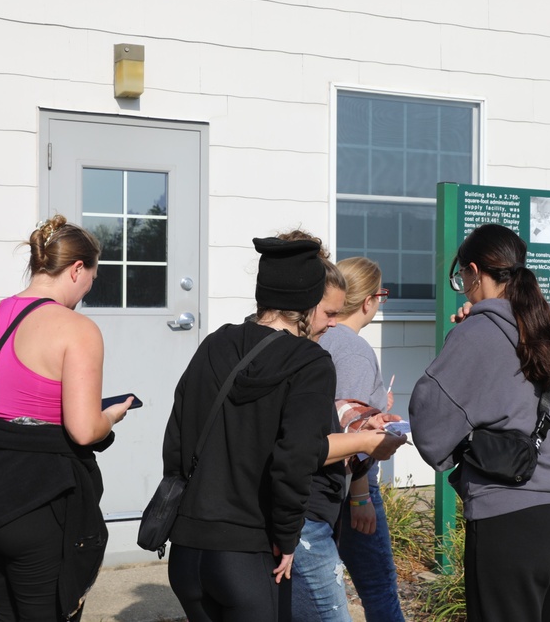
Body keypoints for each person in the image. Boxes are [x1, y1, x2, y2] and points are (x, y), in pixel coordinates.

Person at [164, 235, 403, 622]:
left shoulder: (214, 343)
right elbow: (295, 458)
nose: (333, 324)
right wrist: (289, 538)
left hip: (188, 553)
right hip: (248, 555)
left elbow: (176, 438)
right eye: (329, 314)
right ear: (306, 303)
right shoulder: (309, 361)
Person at [0, 215, 133, 621]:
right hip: (35, 501)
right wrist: (111, 414)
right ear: (77, 269)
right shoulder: (77, 330)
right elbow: (83, 428)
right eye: (92, 276)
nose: (90, 287)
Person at [409, 223, 550, 622]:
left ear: (475, 271)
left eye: (461, 277)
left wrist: (459, 337)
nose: (463, 285)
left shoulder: (478, 332)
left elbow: (430, 418)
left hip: (511, 518)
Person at [318, 257, 405, 622]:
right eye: (382, 295)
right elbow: (349, 434)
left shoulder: (323, 335)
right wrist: (360, 499)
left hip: (323, 483)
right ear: (369, 300)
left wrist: (374, 404)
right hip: (350, 487)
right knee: (379, 586)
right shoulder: (353, 348)